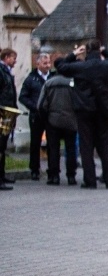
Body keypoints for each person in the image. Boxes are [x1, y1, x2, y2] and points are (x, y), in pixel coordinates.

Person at [55, 41, 108, 189]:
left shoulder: (80, 67)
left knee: (86, 146)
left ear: (86, 51)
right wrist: (106, 51)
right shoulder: (107, 66)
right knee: (107, 145)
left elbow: (59, 65)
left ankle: (90, 180)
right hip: (104, 109)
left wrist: (74, 54)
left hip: (84, 109)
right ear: (99, 51)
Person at [37, 70, 78, 186]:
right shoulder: (73, 83)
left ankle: (54, 176)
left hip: (53, 120)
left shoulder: (49, 83)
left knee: (53, 149)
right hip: (71, 120)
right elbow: (79, 102)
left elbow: (41, 105)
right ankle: (71, 176)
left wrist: (46, 119)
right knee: (71, 149)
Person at [18, 52, 52, 180]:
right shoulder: (31, 79)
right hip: (36, 115)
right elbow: (23, 97)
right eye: (45, 63)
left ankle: (52, 169)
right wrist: (34, 106)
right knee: (35, 143)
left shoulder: (52, 77)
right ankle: (34, 169)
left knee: (52, 143)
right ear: (38, 64)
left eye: (49, 63)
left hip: (51, 115)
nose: (47, 65)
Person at [0, 49, 19, 191]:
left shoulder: (5, 71)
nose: (15, 61)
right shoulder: (1, 71)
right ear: (6, 58)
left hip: (8, 113)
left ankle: (2, 175)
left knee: (3, 146)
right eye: (13, 58)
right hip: (2, 113)